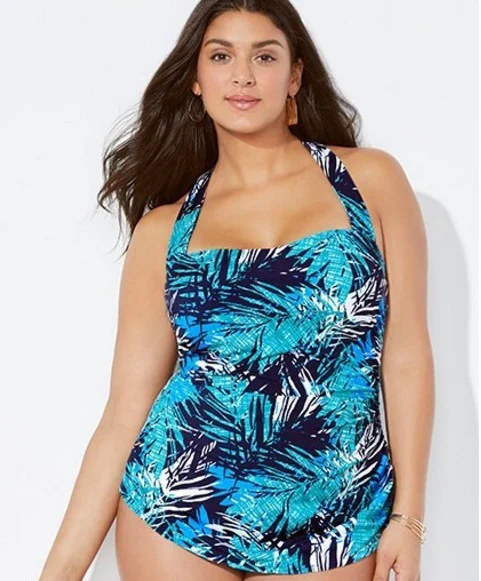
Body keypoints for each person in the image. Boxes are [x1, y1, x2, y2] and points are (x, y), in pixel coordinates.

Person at [39, 1, 434, 580]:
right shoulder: (165, 232)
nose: (243, 75)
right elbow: (124, 414)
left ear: (294, 76)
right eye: (221, 56)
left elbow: (406, 356)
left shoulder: (369, 182)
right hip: (178, 503)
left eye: (264, 57)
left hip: (336, 512)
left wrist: (409, 517)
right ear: (197, 80)